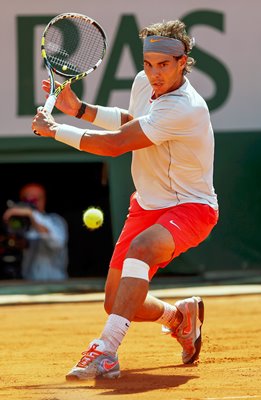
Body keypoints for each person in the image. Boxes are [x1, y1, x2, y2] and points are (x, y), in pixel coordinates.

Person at [32, 18, 219, 380]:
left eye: (164, 65)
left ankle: (105, 351)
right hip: (146, 205)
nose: (154, 74)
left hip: (191, 207)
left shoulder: (185, 106)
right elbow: (131, 121)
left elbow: (117, 144)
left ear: (183, 62)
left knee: (142, 249)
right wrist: (81, 110)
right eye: (149, 64)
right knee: (115, 302)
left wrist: (56, 130)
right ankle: (180, 318)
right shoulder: (143, 83)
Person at [2, 182, 69, 281]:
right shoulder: (20, 224)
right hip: (28, 285)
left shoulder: (54, 220)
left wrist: (31, 214)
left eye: (34, 199)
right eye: (26, 199)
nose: (30, 203)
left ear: (43, 200)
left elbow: (57, 242)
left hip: (55, 285)